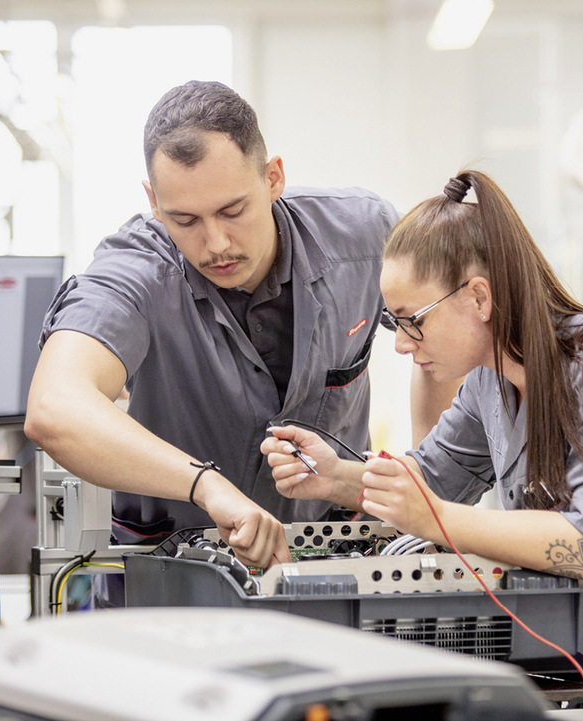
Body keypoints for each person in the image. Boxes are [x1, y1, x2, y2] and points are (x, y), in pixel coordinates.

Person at [262, 170, 583, 702]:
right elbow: (432, 477)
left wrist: (437, 517)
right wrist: (335, 476)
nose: (402, 345)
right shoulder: (490, 384)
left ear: (479, 298)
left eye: (412, 320)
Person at [25, 80, 427, 604]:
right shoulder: (135, 271)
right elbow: (54, 409)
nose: (214, 244)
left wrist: (428, 491)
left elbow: (444, 344)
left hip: (333, 568)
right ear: (153, 203)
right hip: (174, 582)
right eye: (184, 219)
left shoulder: (362, 238)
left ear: (273, 177)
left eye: (233, 210)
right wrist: (206, 487)